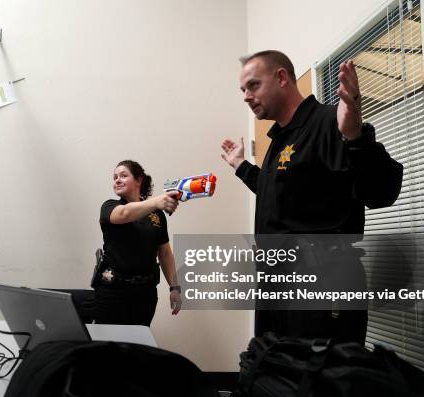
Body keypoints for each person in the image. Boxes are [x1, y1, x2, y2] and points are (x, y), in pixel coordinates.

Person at [220, 50, 403, 344]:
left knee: (319, 384)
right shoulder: (281, 139)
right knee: (275, 376)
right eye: (243, 90)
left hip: (322, 283)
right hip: (278, 283)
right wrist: (241, 167)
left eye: (253, 85)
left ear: (281, 78)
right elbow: (279, 194)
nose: (245, 96)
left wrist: (355, 138)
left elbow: (383, 191)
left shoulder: (330, 123)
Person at [94, 160, 182, 326]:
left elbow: (165, 253)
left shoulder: (156, 215)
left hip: (145, 294)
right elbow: (125, 214)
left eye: (123, 175)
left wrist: (174, 287)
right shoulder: (110, 207)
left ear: (139, 180)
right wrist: (156, 202)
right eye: (115, 177)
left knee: (137, 345)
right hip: (112, 292)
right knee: (107, 347)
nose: (117, 180)